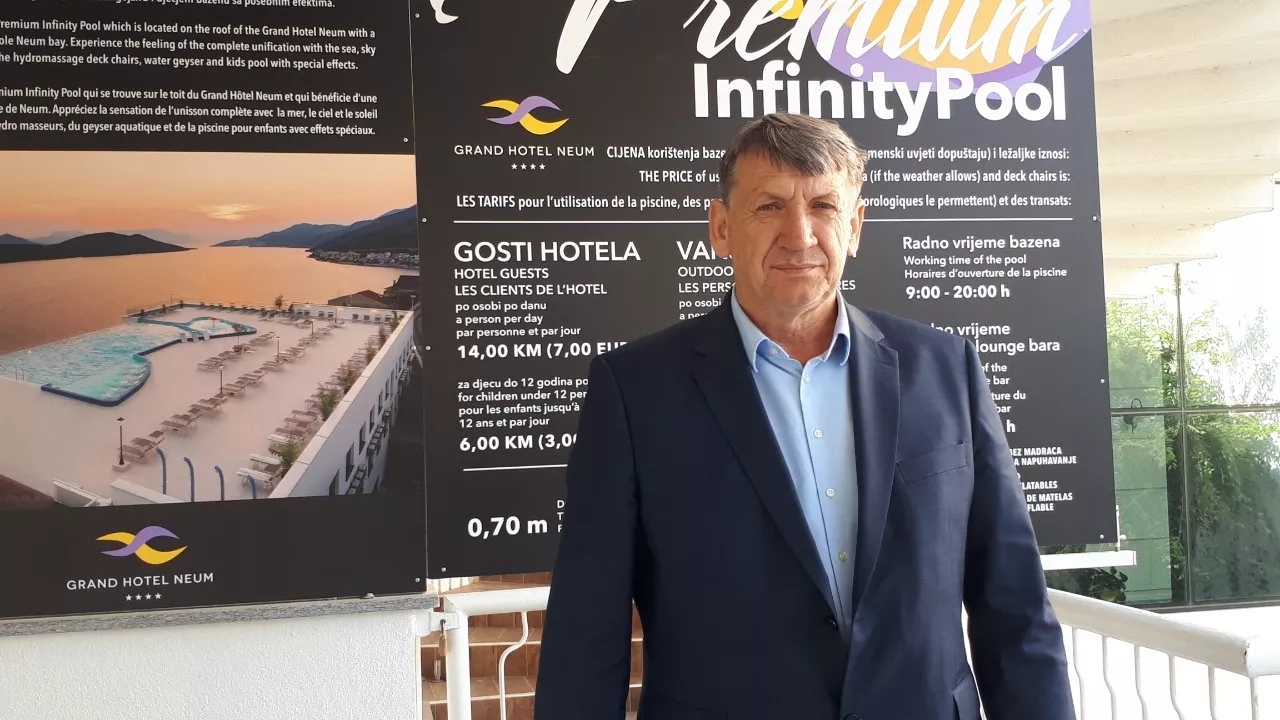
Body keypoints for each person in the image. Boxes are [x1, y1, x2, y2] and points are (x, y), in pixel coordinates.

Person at [534, 113, 1074, 720]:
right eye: (769, 206)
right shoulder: (634, 389)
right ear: (721, 228)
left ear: (855, 225)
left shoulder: (947, 368)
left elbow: (1014, 604)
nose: (799, 235)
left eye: (823, 206)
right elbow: (587, 627)